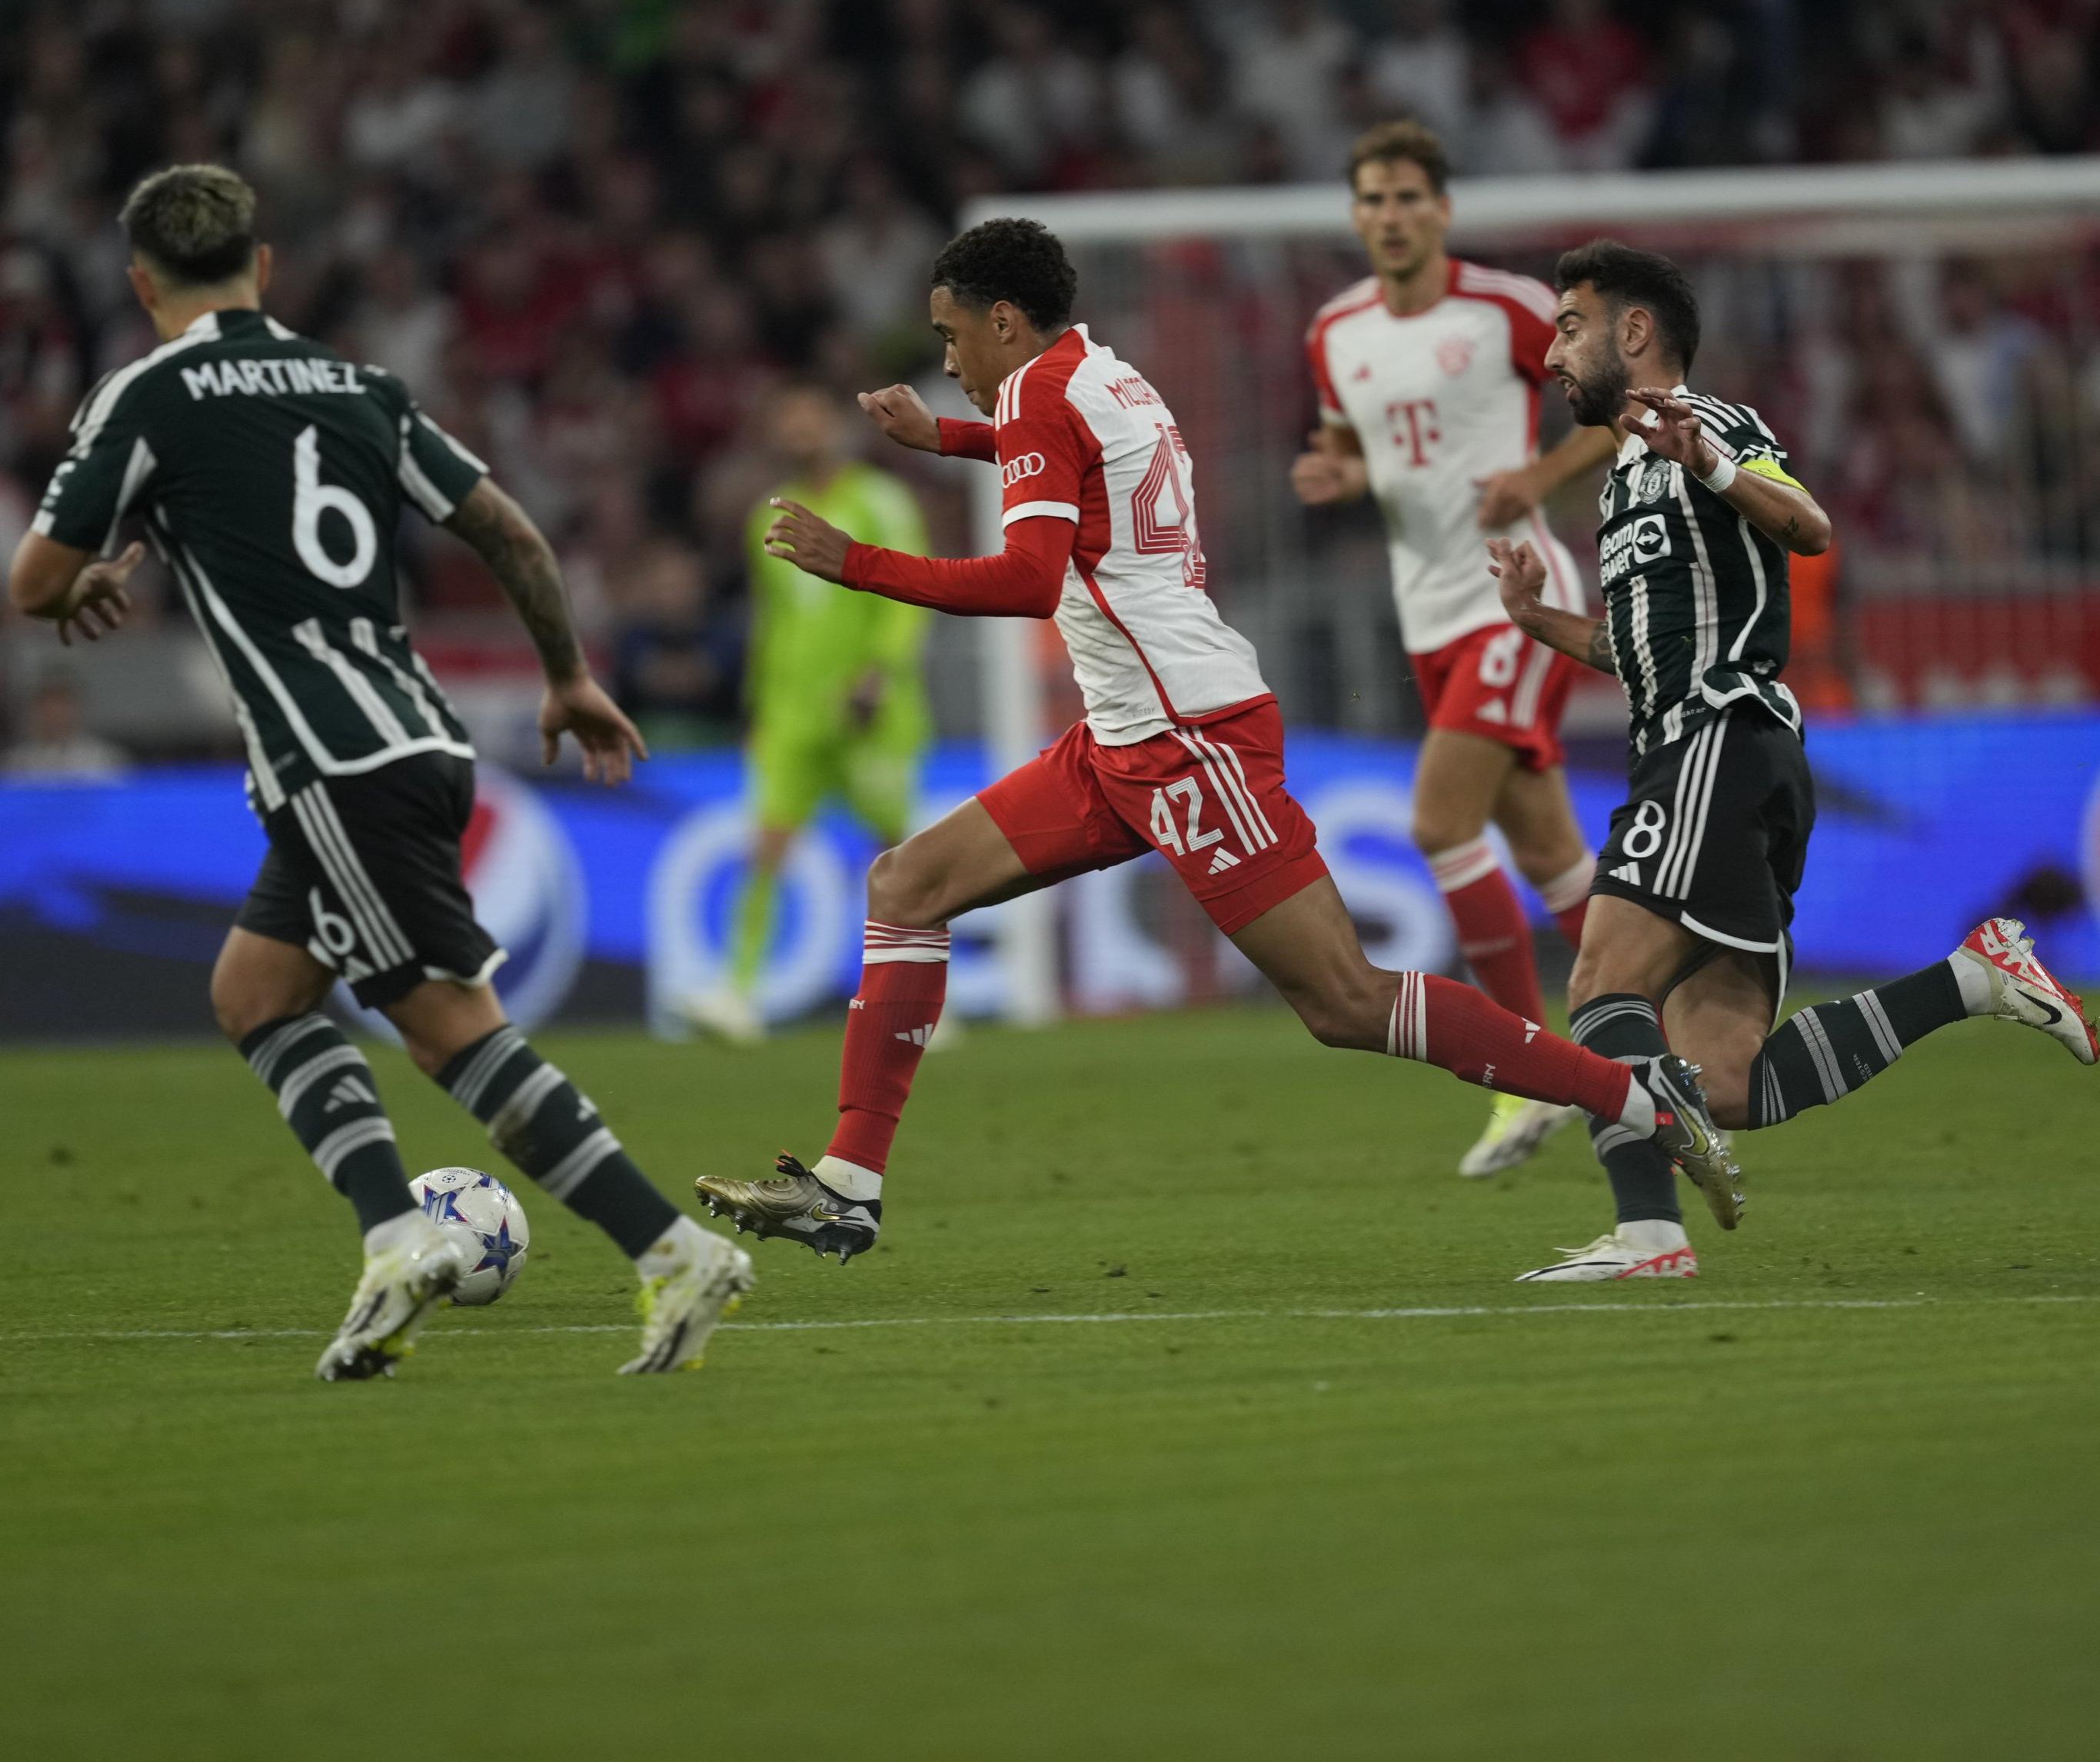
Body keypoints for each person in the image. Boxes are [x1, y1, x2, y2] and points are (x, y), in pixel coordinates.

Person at [693, 217, 1738, 1261]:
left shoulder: (1038, 393)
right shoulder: (1101, 373)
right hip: (1118, 741)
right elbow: (1074, 461)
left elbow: (1023, 577)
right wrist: (949, 438)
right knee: (904, 884)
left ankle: (1639, 1096)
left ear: (1002, 321)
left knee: (1342, 998)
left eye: (951, 335)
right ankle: (847, 1183)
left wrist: (857, 561)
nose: (949, 361)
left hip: (1188, 739)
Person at [8, 164, 754, 1378]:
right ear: (265, 267)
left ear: (141, 282)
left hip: (333, 762)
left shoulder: (147, 393)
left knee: (452, 1034)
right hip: (413, 732)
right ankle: (398, 1237)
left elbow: (34, 581)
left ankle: (672, 1248)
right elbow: (508, 527)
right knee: (254, 991)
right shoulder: (359, 385)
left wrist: (86, 578)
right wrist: (564, 674)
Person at [1486, 239, 2095, 1283]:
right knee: (1723, 1079)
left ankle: (1648, 1236)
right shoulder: (1629, 476)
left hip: (1713, 741)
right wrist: (1532, 616)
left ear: (1632, 332)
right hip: (1727, 752)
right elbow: (1632, 649)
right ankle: (1968, 978)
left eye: (1568, 325)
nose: (1550, 353)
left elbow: (1807, 524)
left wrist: (1709, 460)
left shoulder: (1706, 424)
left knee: (1598, 979)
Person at [1293, 119, 1614, 1179]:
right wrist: (1334, 475)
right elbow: (1344, 445)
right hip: (1424, 610)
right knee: (1550, 854)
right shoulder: (1334, 330)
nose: (1387, 216)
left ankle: (1525, 1074)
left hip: (1515, 595)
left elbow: (1622, 410)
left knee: (1437, 818)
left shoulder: (1510, 309)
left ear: (1441, 209)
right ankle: (1665, 1014)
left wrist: (1539, 476)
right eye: (1370, 200)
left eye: (1404, 197)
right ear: (1356, 216)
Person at [685, 385, 933, 1043]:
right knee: (764, 847)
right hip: (791, 713)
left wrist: (879, 673)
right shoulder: (766, 518)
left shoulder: (879, 501)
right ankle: (737, 994)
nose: (799, 432)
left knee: (898, 858)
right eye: (786, 422)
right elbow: (771, 619)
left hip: (869, 710)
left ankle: (928, 998)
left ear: (835, 428)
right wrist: (758, 706)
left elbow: (908, 594)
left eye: (810, 420)